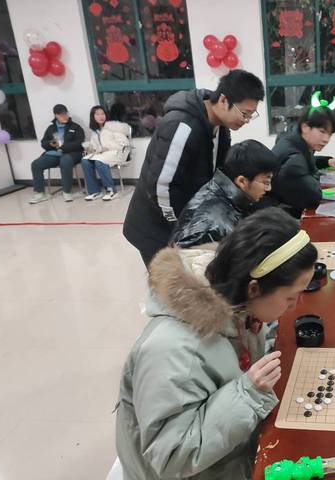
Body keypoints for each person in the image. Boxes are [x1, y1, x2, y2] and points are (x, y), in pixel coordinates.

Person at [115, 207, 317, 480]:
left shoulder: (235, 293)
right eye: (290, 298)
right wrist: (248, 394)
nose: (294, 306)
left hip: (227, 451)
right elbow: (172, 456)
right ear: (254, 288)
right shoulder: (173, 350)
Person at [123, 69, 265, 267]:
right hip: (156, 227)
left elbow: (218, 173)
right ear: (223, 100)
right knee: (170, 280)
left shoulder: (220, 127)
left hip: (185, 218)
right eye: (244, 113)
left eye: (251, 115)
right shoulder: (181, 126)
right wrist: (184, 227)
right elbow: (161, 188)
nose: (246, 120)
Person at [170, 140, 280, 248]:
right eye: (266, 182)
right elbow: (190, 258)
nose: (268, 188)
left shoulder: (224, 195)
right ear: (242, 181)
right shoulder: (211, 225)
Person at [267, 106, 335, 217]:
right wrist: (315, 176)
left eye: (329, 134)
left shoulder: (292, 140)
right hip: (276, 216)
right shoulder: (294, 160)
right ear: (305, 127)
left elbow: (306, 161)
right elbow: (313, 195)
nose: (326, 139)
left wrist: (326, 161)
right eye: (322, 132)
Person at [29, 104, 85, 204]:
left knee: (65, 161)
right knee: (36, 164)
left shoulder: (75, 127)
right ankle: (40, 193)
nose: (64, 116)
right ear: (56, 115)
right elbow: (43, 143)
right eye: (60, 115)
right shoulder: (51, 128)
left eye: (65, 113)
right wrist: (50, 144)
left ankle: (67, 191)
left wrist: (63, 147)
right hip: (54, 154)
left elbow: (79, 142)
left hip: (71, 153)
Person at [81, 105, 131, 201]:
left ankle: (111, 190)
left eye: (102, 114)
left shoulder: (112, 127)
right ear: (93, 117)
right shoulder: (94, 132)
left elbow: (124, 144)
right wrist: (91, 149)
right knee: (85, 161)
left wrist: (107, 148)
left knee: (100, 161)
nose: (101, 116)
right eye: (97, 114)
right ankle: (94, 191)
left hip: (117, 153)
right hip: (103, 154)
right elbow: (95, 147)